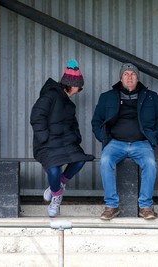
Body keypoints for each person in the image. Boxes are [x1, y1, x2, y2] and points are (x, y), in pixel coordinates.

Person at [92, 62, 158, 221]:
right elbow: (96, 121)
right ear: (121, 78)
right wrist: (104, 138)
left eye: (132, 74)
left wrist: (154, 138)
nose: (129, 77)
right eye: (126, 74)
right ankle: (112, 205)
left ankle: (145, 206)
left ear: (138, 78)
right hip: (115, 143)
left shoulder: (150, 96)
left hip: (141, 143)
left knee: (150, 164)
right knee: (105, 161)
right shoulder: (107, 97)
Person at [30, 59, 94, 218]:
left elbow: (73, 124)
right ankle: (56, 196)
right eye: (79, 86)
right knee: (54, 168)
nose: (80, 90)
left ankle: (58, 185)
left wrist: (76, 138)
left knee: (80, 159)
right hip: (47, 143)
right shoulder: (51, 95)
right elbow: (36, 116)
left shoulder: (70, 104)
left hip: (65, 142)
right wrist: (44, 138)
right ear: (72, 85)